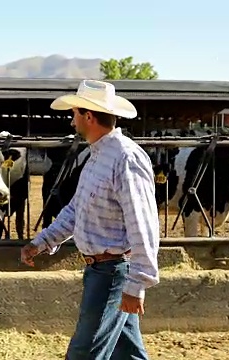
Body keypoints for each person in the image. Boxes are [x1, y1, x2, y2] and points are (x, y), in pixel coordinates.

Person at [21, 79, 160, 359]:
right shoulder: (98, 155)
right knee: (127, 353)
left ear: (89, 115)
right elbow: (77, 210)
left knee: (84, 353)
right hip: (103, 270)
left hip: (113, 271)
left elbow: (142, 223)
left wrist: (137, 284)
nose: (72, 121)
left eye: (74, 114)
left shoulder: (125, 157)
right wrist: (42, 242)